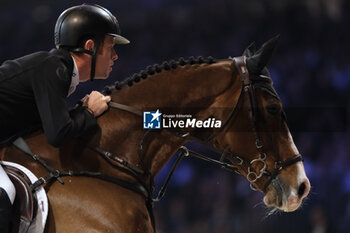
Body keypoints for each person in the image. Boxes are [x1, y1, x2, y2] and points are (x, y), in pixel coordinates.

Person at [0, 4, 129, 232]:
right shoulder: (54, 68)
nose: (115, 56)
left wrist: (80, 113)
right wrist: (89, 112)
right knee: (5, 192)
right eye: (111, 47)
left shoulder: (59, 70)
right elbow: (58, 134)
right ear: (90, 46)